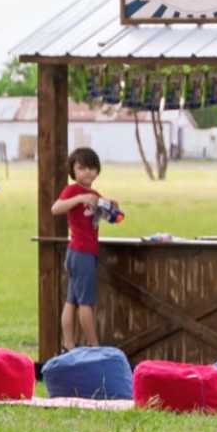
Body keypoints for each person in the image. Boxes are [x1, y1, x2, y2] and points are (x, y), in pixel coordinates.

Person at [52, 145, 124, 352]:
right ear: (73, 171)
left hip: (84, 252)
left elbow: (116, 219)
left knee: (72, 300)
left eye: (92, 168)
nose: (87, 172)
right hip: (80, 251)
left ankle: (70, 345)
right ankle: (93, 345)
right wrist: (80, 199)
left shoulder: (95, 194)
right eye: (82, 168)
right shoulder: (73, 190)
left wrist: (114, 207)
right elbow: (56, 208)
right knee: (85, 302)